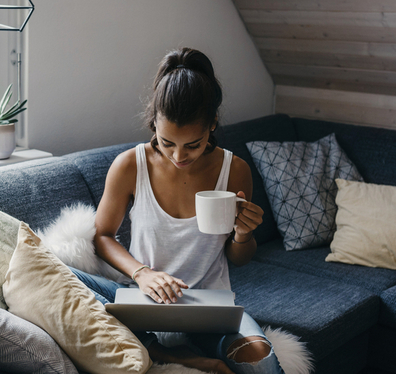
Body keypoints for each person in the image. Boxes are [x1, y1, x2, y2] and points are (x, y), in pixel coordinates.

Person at [69, 47, 284, 374]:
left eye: (192, 145)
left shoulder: (234, 170)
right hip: (145, 305)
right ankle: (170, 352)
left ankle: (173, 349)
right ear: (154, 121)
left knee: (262, 362)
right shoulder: (130, 165)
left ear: (212, 124)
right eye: (167, 142)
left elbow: (238, 257)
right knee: (61, 275)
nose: (178, 156)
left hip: (209, 309)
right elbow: (102, 236)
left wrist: (244, 233)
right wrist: (142, 274)